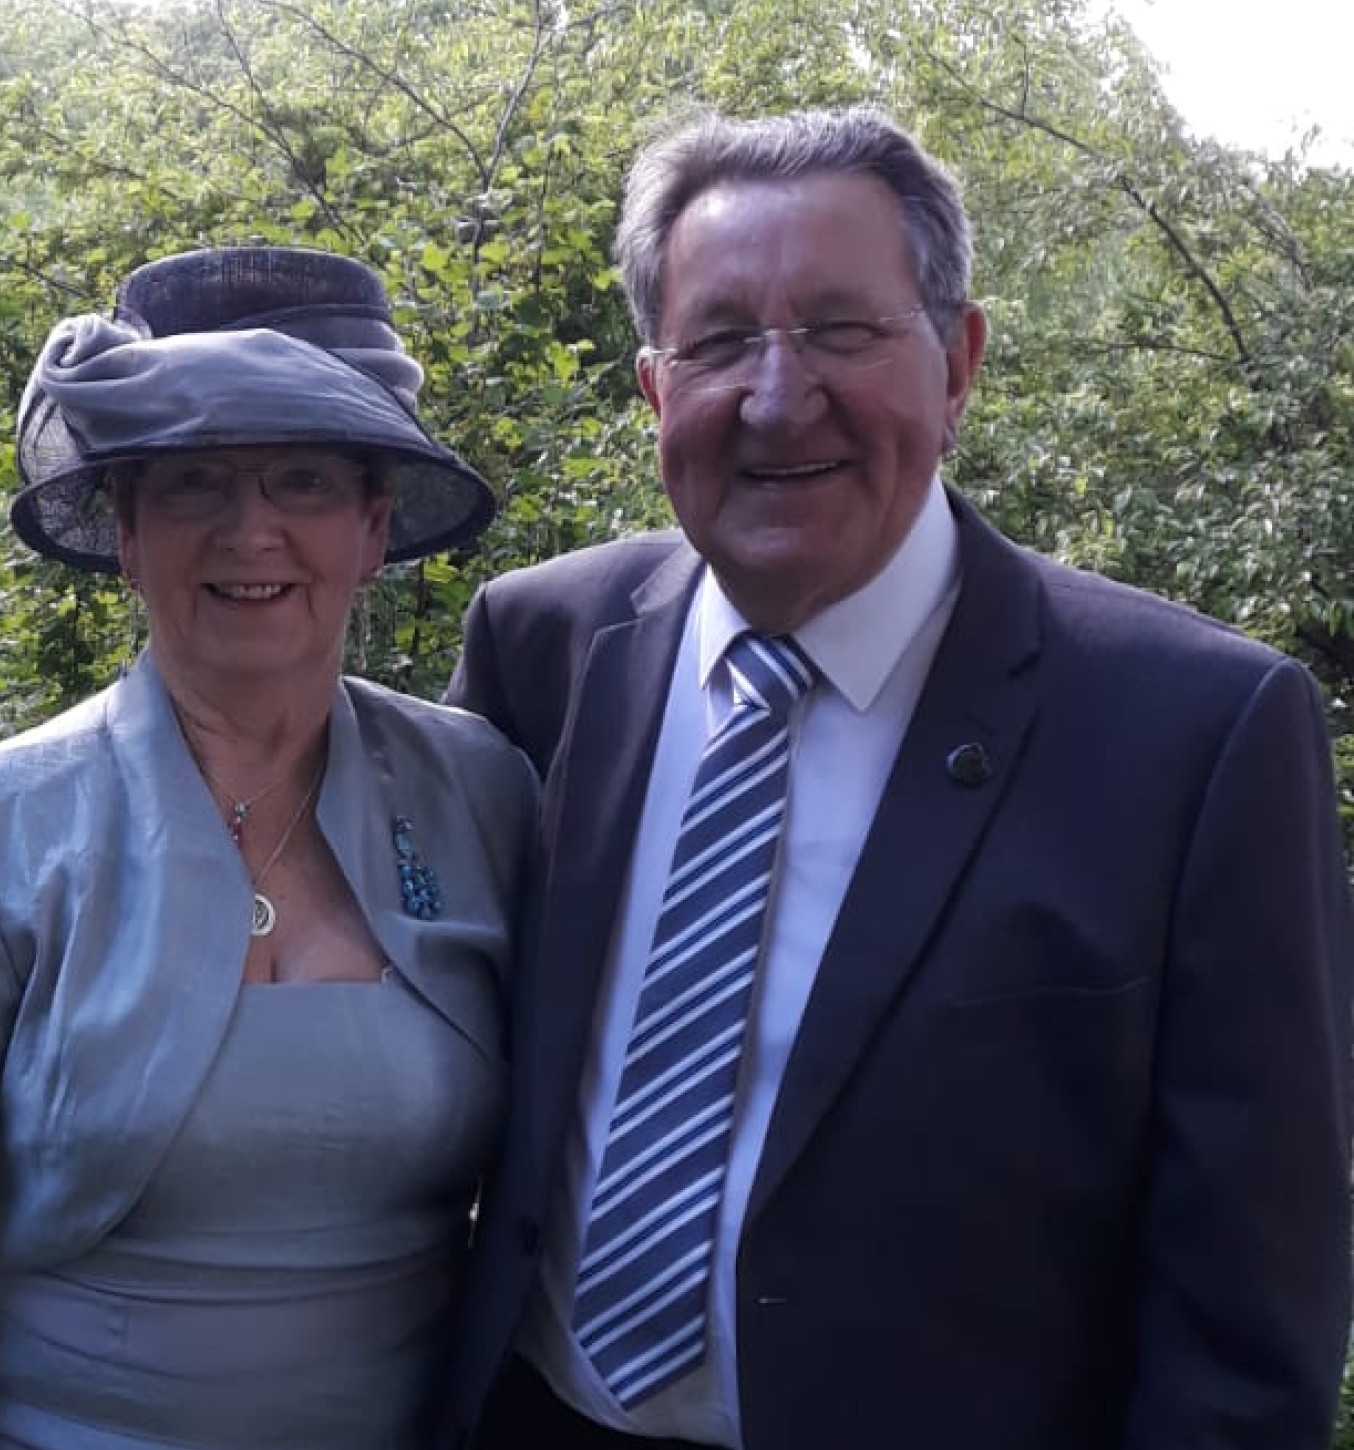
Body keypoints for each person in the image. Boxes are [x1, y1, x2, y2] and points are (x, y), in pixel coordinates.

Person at [439, 103, 1354, 1450]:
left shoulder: (1198, 733)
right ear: (652, 390)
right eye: (718, 340)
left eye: (839, 329)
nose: (773, 393)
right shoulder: (543, 645)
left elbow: (1245, 1310)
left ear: (957, 362)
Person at [0, 245, 536, 1450]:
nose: (251, 531)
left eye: (300, 479)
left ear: (372, 524)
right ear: (126, 534)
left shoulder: (484, 797)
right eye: (192, 483)